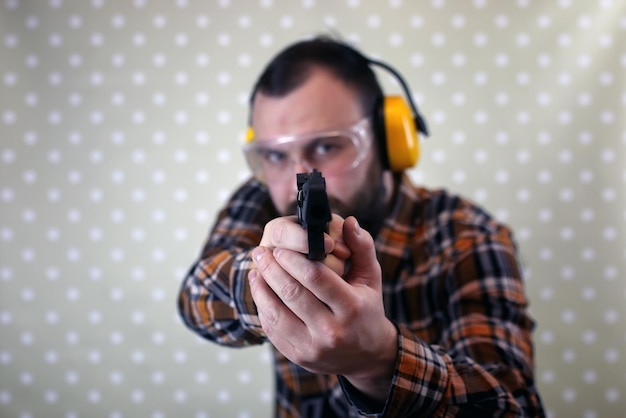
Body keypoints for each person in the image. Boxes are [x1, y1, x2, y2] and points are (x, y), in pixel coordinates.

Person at [178, 36, 545, 417]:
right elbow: (196, 299)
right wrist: (274, 274)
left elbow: (512, 407)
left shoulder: (467, 236)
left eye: (326, 147)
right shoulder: (263, 198)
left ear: (388, 142)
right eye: (273, 155)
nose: (297, 181)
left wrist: (379, 362)